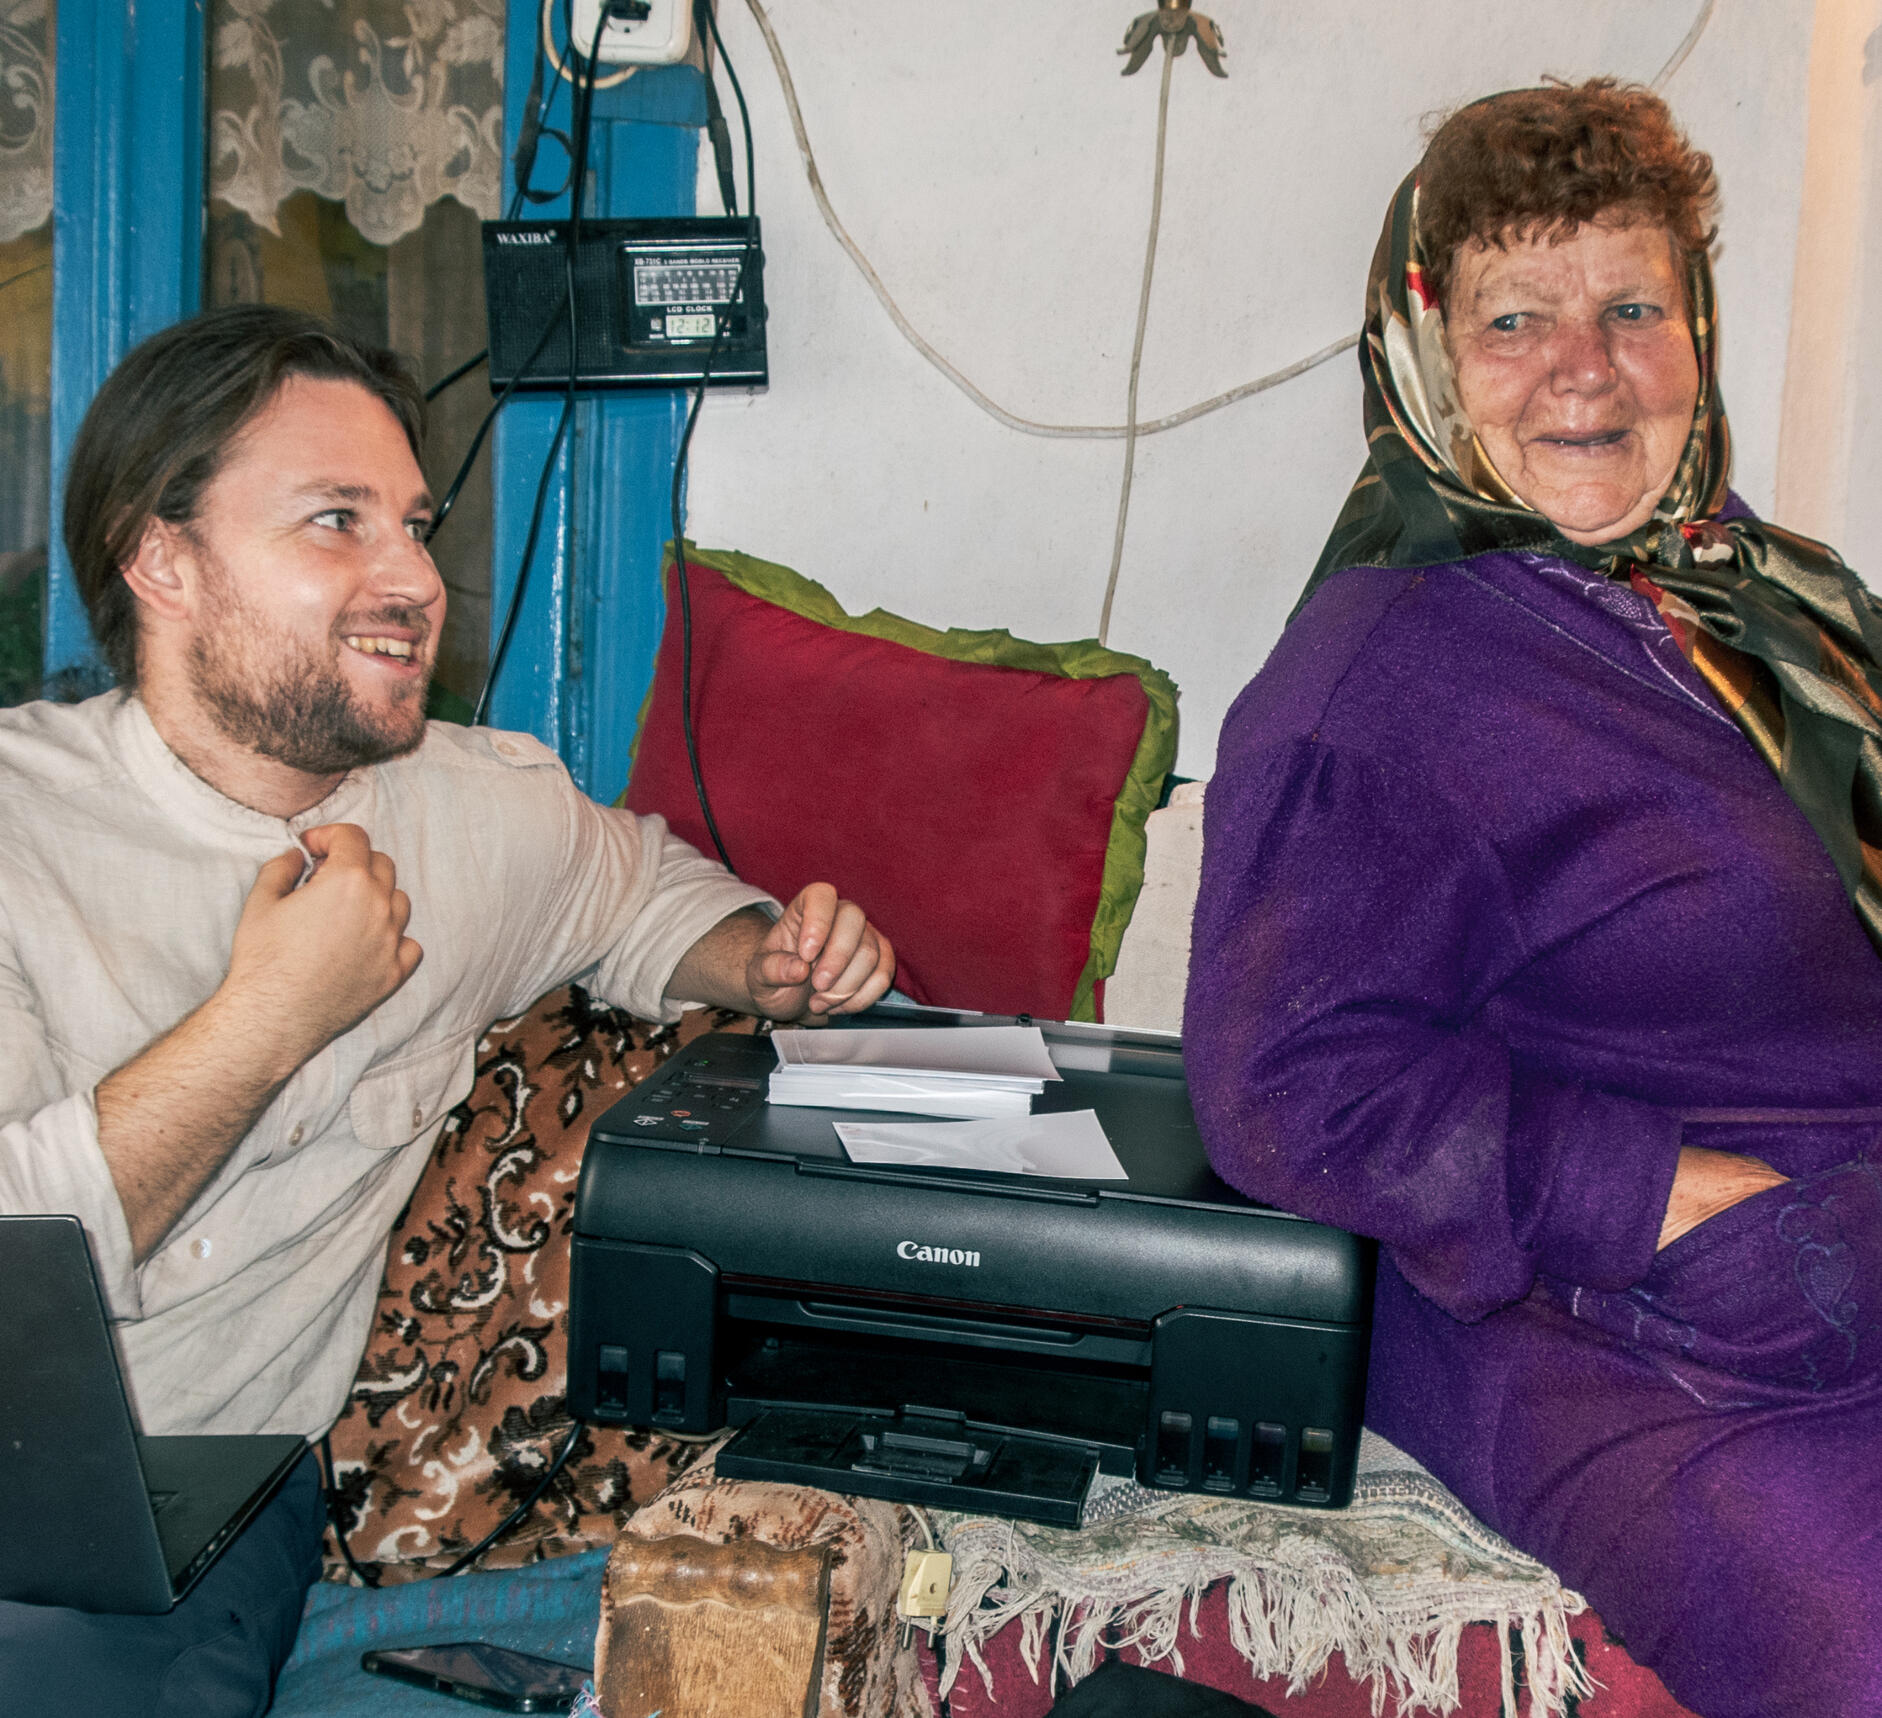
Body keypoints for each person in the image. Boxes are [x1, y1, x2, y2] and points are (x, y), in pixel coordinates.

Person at [0, 304, 895, 1714]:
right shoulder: (16, 830)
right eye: (336, 521)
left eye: (415, 525)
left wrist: (765, 961)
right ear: (162, 560)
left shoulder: (474, 815)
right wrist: (270, 1015)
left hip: (195, 1519)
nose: (414, 577)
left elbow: (641, 894)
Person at [1184, 80, 1882, 1718]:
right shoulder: (1377, 675)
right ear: (1427, 357)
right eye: (1513, 318)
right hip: (1652, 1336)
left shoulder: (1783, 603)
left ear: (1696, 333)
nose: (1583, 364)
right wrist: (1653, 1194)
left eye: (1631, 306)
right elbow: (1278, 1077)